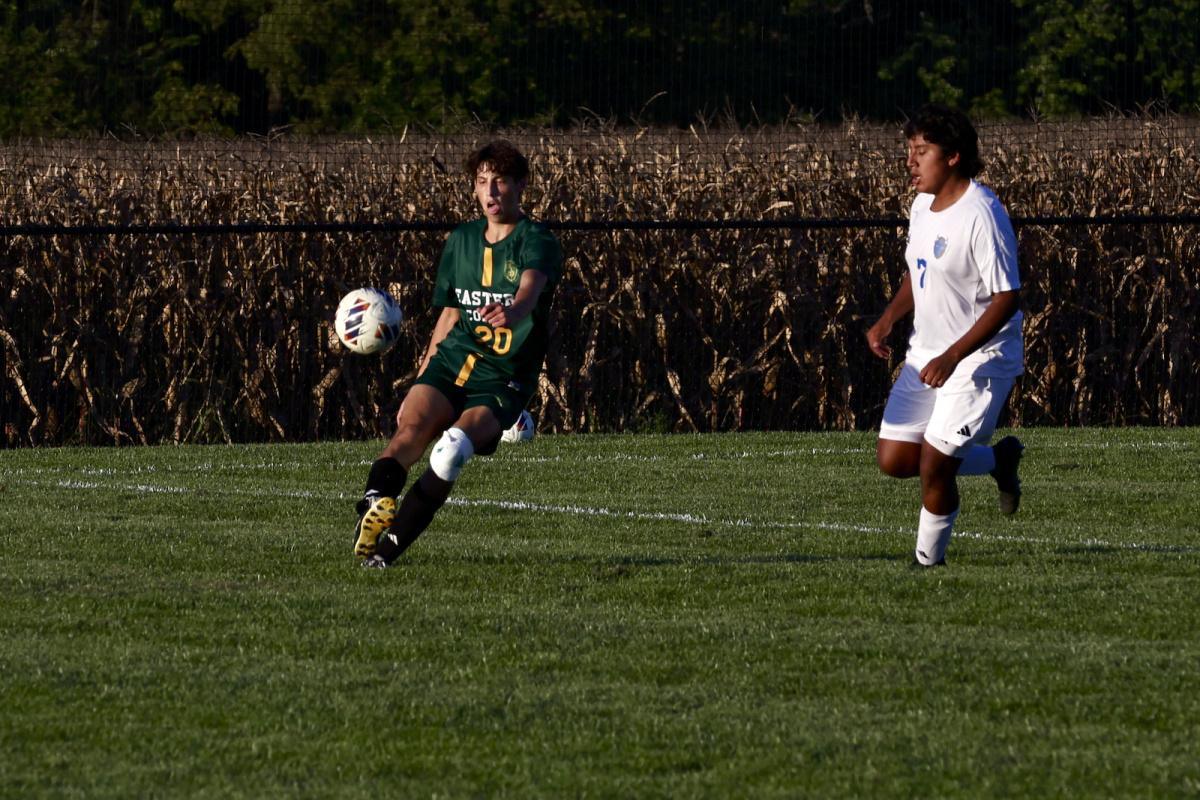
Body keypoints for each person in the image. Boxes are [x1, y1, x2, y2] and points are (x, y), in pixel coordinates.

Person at [353, 140, 563, 568]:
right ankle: (374, 504)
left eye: (501, 182)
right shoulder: (462, 240)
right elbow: (449, 314)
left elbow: (530, 290)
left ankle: (387, 552)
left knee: (449, 451)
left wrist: (514, 309)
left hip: (504, 374)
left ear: (521, 185)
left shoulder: (537, 239)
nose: (491, 192)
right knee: (410, 427)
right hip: (453, 359)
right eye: (482, 182)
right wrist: (422, 375)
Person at [866, 104, 1024, 568]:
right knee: (896, 460)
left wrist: (955, 354)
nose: (910, 161)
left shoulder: (982, 214)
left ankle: (926, 564)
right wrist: (888, 318)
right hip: (928, 355)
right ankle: (999, 461)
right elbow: (919, 274)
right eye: (909, 150)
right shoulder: (921, 206)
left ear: (953, 156)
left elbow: (1006, 298)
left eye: (921, 151)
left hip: (979, 359)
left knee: (935, 465)